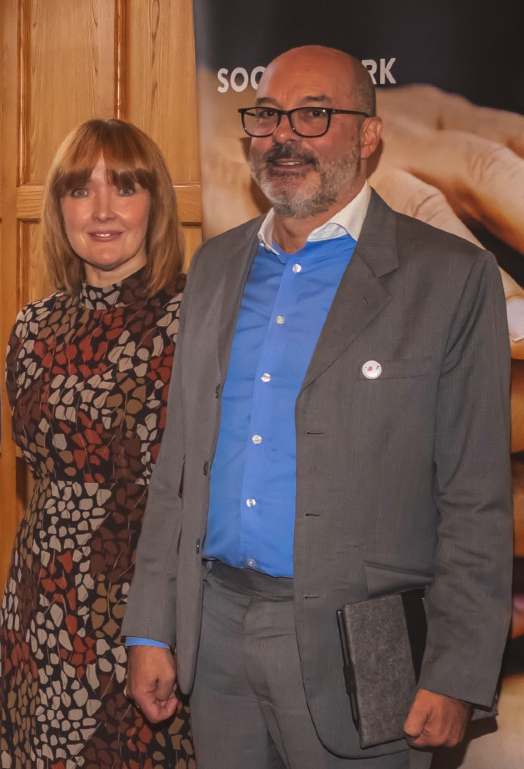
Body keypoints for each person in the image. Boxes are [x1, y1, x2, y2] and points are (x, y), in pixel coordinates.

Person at [124, 45, 513, 768]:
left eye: (314, 114)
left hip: (368, 647)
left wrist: (457, 670)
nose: (283, 136)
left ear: (369, 136)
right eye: (268, 115)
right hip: (215, 636)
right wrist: (151, 625)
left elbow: (475, 497)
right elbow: (179, 464)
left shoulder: (450, 279)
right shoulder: (214, 267)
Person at [0, 119, 193, 768]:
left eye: (124, 188)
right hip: (39, 604)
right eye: (80, 190)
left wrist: (166, 627)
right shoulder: (33, 326)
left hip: (147, 609)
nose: (101, 210)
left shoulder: (194, 321)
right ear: (59, 208)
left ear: (155, 204)